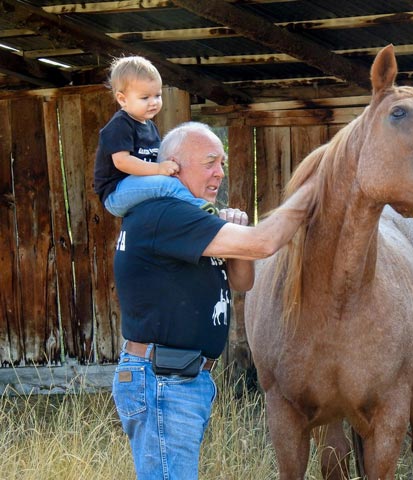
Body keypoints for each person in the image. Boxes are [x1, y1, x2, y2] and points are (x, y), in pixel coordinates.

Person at [111, 121, 314, 479]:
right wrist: (312, 193)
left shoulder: (186, 217)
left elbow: (242, 281)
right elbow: (264, 244)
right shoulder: (166, 214)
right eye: (209, 163)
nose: (219, 173)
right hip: (164, 381)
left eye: (221, 163)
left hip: (177, 378)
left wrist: (235, 240)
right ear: (173, 165)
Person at [94, 56, 214, 217]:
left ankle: (182, 212)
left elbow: (157, 158)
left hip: (139, 187)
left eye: (157, 95)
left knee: (173, 180)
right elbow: (122, 162)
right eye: (145, 98)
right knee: (166, 184)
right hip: (116, 193)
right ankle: (199, 209)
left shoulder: (149, 126)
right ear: (122, 99)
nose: (153, 102)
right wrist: (159, 169)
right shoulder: (119, 125)